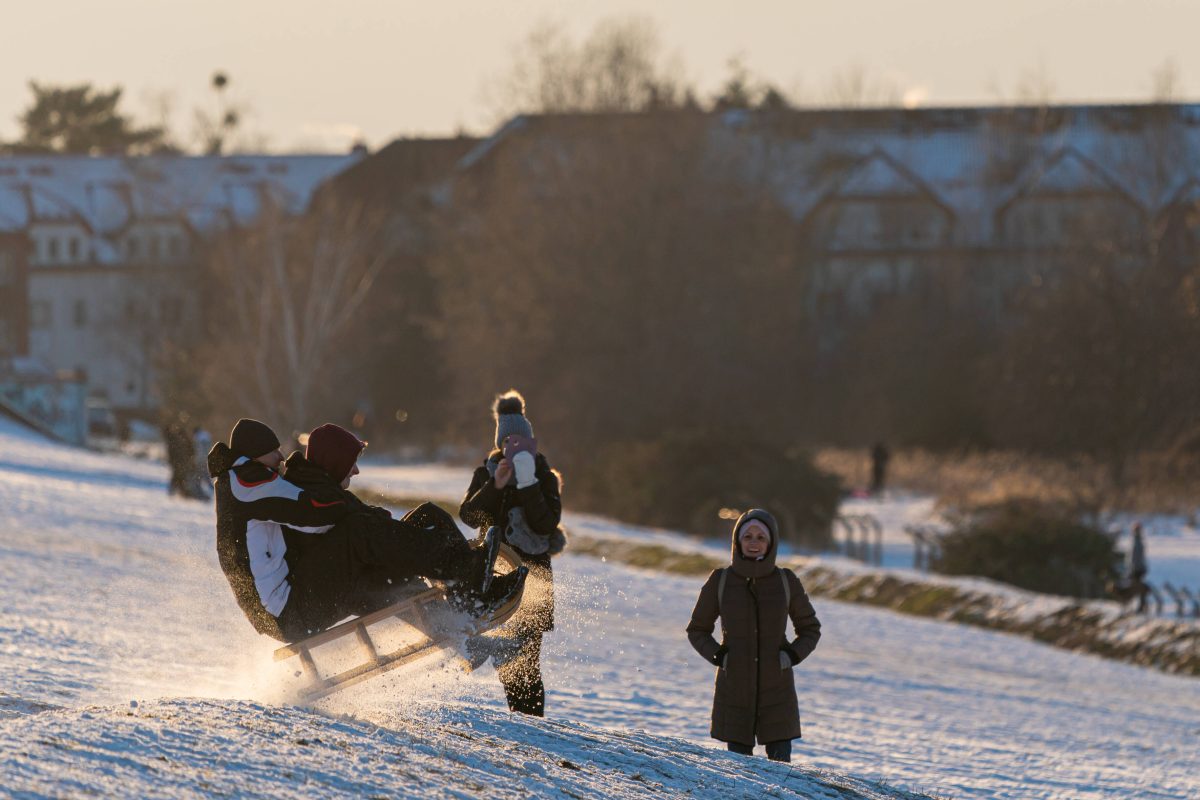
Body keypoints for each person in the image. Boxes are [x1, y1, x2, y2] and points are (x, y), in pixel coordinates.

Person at [209, 418, 523, 642]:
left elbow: (316, 512)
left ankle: (466, 596)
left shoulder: (247, 481)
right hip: (285, 611)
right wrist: (366, 519)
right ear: (254, 453)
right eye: (273, 450)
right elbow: (312, 513)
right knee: (361, 533)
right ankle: (467, 576)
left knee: (418, 519)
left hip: (292, 598)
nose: (281, 457)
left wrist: (375, 523)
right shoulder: (246, 481)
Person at [459, 391, 565, 716]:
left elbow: (548, 524)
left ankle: (530, 724)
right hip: (494, 578)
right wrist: (497, 485)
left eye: (522, 440)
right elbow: (469, 516)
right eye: (509, 441)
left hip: (532, 581)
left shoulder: (544, 476)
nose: (515, 446)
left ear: (531, 441)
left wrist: (528, 483)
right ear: (501, 443)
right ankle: (519, 723)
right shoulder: (487, 473)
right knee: (498, 660)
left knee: (524, 666)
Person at [687, 508, 821, 763]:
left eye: (761, 537)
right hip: (734, 688)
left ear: (771, 543)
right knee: (741, 776)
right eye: (748, 536)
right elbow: (697, 629)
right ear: (737, 541)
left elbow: (810, 629)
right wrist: (719, 655)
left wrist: (791, 655)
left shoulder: (786, 581)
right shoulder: (721, 580)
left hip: (778, 691)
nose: (754, 543)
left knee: (781, 775)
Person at [1130, 521, 1149, 614]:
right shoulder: (1138, 540)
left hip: (1137, 569)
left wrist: (1133, 568)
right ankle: (1140, 606)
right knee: (1138, 588)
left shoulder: (1137, 541)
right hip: (1139, 568)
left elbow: (1136, 557)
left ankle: (1141, 607)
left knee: (1138, 588)